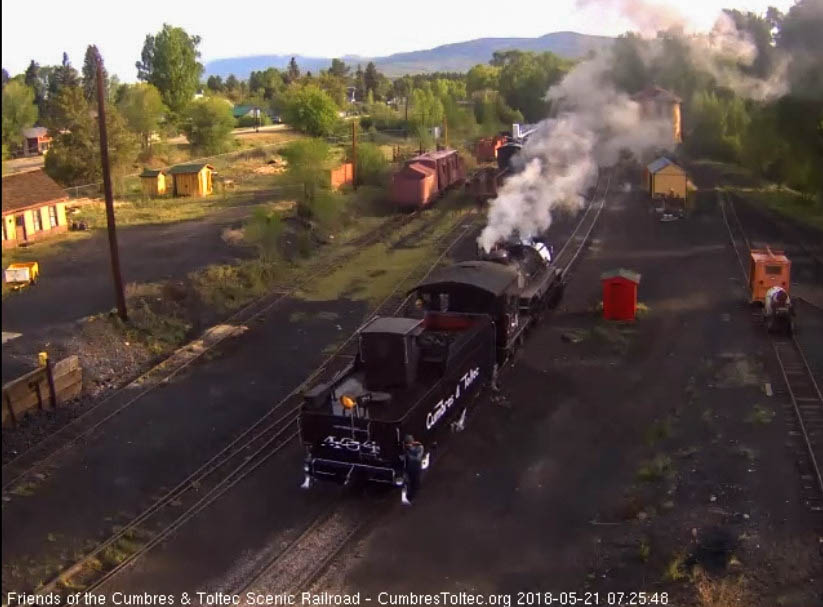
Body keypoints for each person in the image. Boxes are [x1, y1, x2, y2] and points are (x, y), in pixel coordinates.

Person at [401, 434, 425, 505]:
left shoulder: (419, 446)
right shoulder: (406, 448)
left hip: (416, 468)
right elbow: (403, 458)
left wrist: (408, 453)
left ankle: (413, 497)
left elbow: (417, 458)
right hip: (408, 469)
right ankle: (408, 498)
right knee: (408, 483)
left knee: (416, 483)